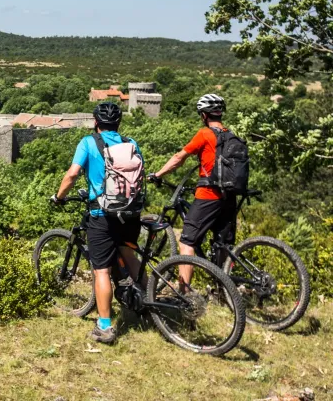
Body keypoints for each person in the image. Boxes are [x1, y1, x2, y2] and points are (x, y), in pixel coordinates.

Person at [51, 102, 143, 345]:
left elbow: (72, 174)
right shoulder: (131, 143)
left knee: (101, 270)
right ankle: (147, 304)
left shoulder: (88, 142)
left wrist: (59, 197)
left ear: (96, 122)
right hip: (130, 213)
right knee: (130, 257)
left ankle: (104, 327)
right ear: (118, 123)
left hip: (102, 215)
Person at [147, 93, 236, 285]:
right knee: (224, 244)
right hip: (230, 196)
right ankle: (226, 290)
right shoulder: (231, 135)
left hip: (208, 194)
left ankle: (184, 292)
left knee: (187, 242)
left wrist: (158, 174)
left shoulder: (204, 134)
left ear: (204, 115)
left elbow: (179, 158)